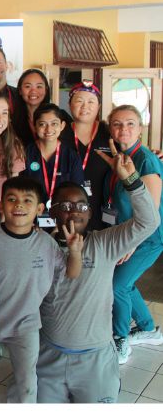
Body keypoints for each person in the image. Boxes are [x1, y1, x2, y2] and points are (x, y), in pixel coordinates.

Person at [37, 146, 160, 402]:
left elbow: (149, 222)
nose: (74, 211)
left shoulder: (104, 243)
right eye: (65, 205)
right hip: (49, 356)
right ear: (53, 211)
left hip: (95, 359)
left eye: (81, 206)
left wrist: (131, 180)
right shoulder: (40, 246)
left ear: (90, 213)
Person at [0, 176, 83, 403]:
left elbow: (72, 273)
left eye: (27, 200)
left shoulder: (46, 243)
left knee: (27, 381)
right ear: (1, 205)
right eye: (12, 199)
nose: (19, 205)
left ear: (39, 209)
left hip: (25, 325)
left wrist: (75, 252)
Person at [104, 105, 163, 363]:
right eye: (117, 124)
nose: (123, 129)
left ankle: (121, 339)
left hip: (147, 239)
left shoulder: (146, 160)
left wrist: (131, 244)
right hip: (127, 234)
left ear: (140, 128)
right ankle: (148, 328)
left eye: (130, 123)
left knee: (117, 285)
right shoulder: (119, 155)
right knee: (126, 282)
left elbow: (151, 213)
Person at [20, 104, 84, 223]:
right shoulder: (24, 153)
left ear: (62, 126)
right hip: (30, 219)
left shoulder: (72, 156)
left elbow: (76, 193)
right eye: (42, 124)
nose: (48, 129)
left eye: (54, 124)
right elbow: (20, 191)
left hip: (64, 219)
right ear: (34, 126)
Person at [59, 82, 110, 231]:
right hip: (67, 212)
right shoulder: (59, 133)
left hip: (102, 212)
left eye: (91, 102)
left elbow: (130, 151)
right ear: (70, 105)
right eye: (79, 101)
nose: (85, 106)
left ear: (99, 106)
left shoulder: (109, 133)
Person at [13, 69, 53, 148]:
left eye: (39, 86)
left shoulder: (59, 116)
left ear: (46, 90)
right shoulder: (12, 121)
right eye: (28, 86)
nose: (33, 91)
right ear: (20, 90)